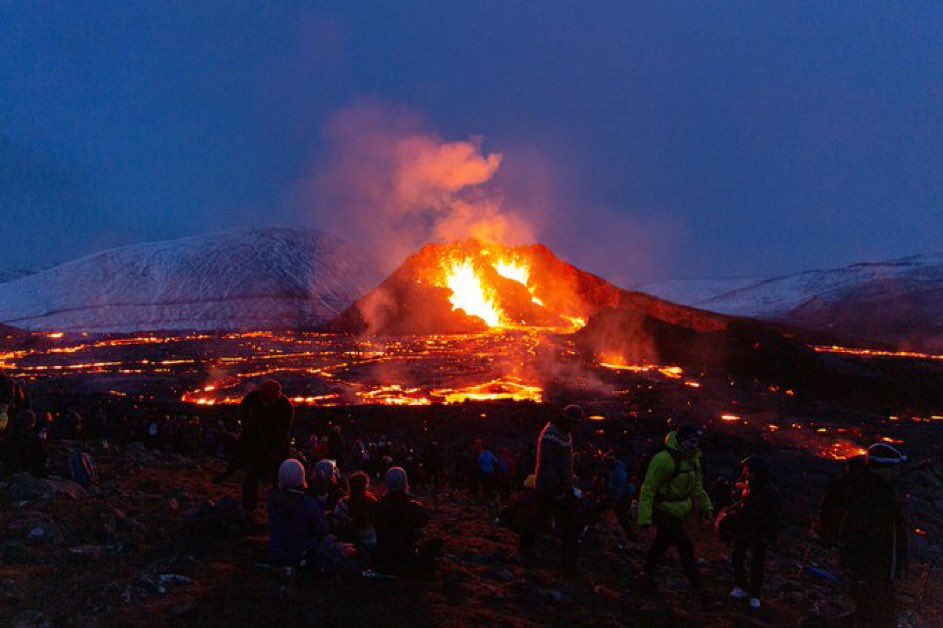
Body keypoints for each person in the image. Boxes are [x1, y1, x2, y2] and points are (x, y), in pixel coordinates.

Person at [819, 443, 908, 627]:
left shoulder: (873, 490)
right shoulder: (872, 496)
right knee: (876, 615)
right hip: (870, 567)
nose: (898, 472)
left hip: (873, 568)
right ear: (882, 469)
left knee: (872, 613)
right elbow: (868, 535)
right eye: (895, 468)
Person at [637, 424, 713, 591]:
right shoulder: (663, 460)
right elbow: (648, 489)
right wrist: (644, 517)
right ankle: (698, 588)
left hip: (679, 509)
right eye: (692, 441)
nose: (695, 445)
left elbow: (697, 487)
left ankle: (645, 574)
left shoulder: (693, 460)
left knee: (661, 543)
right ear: (681, 440)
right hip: (663, 509)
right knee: (685, 546)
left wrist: (706, 507)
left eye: (697, 441)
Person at [519, 404, 585, 568]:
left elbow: (564, 463)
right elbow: (547, 465)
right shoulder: (550, 435)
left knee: (543, 518)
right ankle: (529, 553)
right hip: (549, 487)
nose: (576, 427)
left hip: (560, 486)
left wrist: (570, 480)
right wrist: (559, 488)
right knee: (543, 518)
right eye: (575, 423)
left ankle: (562, 559)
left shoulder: (564, 434)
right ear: (566, 420)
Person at [216, 380, 294, 514]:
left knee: (277, 476)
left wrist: (271, 451)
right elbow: (243, 412)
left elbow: (282, 433)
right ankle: (248, 506)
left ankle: (279, 506)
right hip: (255, 437)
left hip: (276, 442)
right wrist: (250, 428)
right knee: (252, 473)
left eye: (270, 401)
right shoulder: (253, 398)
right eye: (264, 400)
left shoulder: (286, 406)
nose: (266, 403)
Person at [267, 458, 357, 573]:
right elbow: (321, 530)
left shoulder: (273, 500)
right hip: (302, 554)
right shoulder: (307, 503)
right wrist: (321, 501)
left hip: (276, 553)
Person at [724, 456, 778, 609]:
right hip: (744, 529)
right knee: (738, 556)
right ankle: (742, 587)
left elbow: (772, 515)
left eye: (748, 469)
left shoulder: (768, 491)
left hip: (759, 532)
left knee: (756, 562)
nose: (745, 472)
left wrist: (770, 534)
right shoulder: (750, 487)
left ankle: (754, 594)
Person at [373, 466, 442, 575]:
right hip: (404, 555)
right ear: (405, 483)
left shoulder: (378, 506)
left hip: (383, 555)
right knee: (436, 543)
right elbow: (423, 520)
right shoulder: (413, 507)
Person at [333, 471, 378, 551]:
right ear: (366, 486)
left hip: (346, 544)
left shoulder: (342, 503)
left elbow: (336, 524)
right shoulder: (373, 503)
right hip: (368, 544)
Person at [2, 409, 48, 477]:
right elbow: (42, 458)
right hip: (25, 473)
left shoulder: (10, 438)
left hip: (13, 472)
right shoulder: (35, 440)